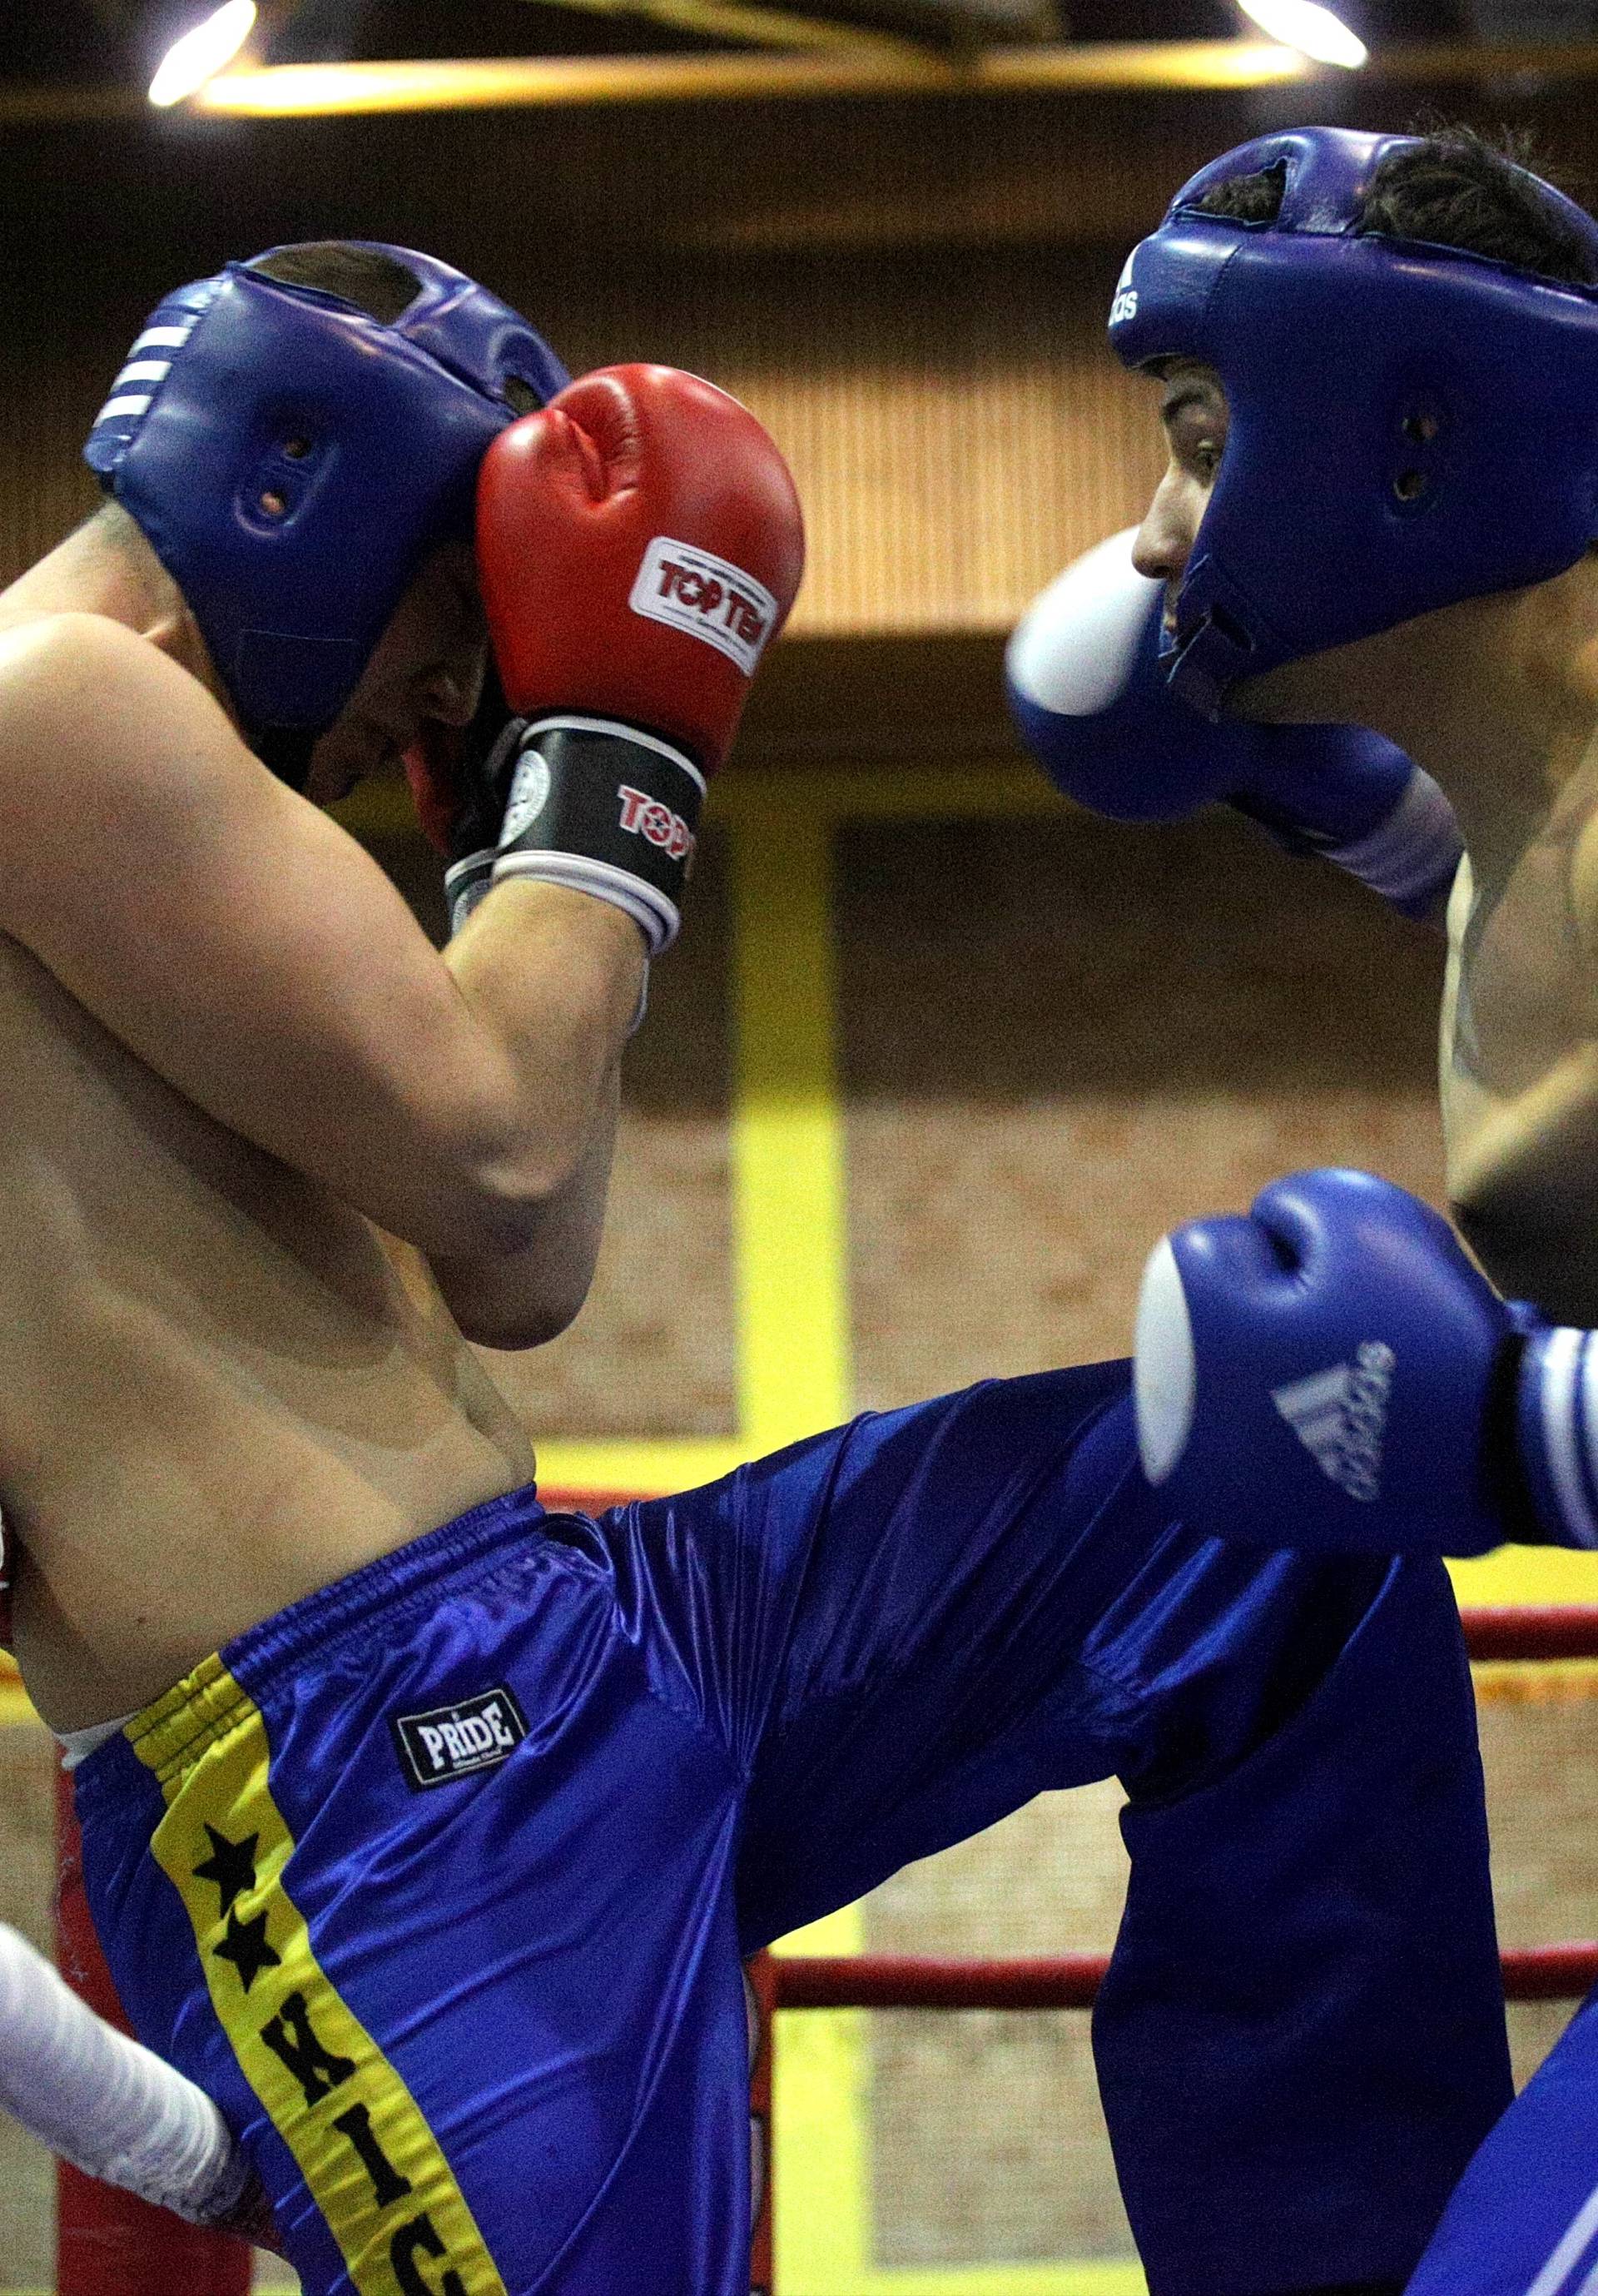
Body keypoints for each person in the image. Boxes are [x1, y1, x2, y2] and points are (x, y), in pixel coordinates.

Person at [0, 234, 1513, 2296]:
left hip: (596, 1629)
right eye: (464, 614)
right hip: (368, 1819)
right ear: (296, 484)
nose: (455, 688)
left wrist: (514, 856)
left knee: (1260, 1518)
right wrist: (617, 750)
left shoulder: (125, 813)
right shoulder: (48, 698)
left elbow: (523, 1271)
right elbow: (517, 1159)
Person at [1010, 123, 1598, 2295]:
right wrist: (1321, 787)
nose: (1158, 534)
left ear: (1404, 437)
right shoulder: (1531, 815)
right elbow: (1505, 902)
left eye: (1197, 440)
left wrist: (1526, 1432)